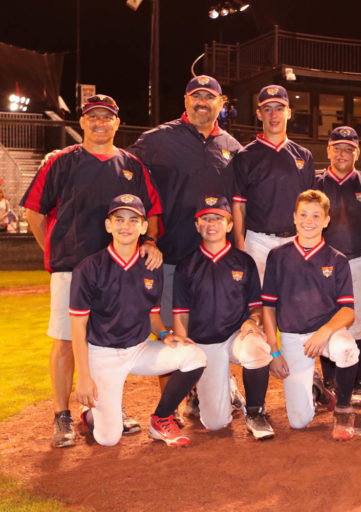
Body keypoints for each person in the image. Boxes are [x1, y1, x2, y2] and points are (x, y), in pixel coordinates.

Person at [21, 94, 162, 448]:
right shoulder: (60, 161)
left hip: (120, 271)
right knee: (67, 342)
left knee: (110, 343)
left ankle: (104, 409)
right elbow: (35, 213)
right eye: (92, 117)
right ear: (83, 122)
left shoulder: (132, 165)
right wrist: (53, 250)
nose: (100, 123)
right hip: (72, 268)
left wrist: (151, 241)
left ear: (117, 122)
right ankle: (62, 415)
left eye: (107, 117)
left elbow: (153, 214)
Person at [128, 75, 245, 420]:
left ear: (221, 104)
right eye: (195, 95)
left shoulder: (232, 147)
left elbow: (240, 204)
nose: (202, 102)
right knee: (170, 335)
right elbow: (125, 173)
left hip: (215, 262)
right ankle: (171, 408)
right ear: (185, 100)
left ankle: (205, 391)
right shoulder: (157, 140)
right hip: (169, 255)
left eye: (209, 97)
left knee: (212, 327)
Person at [72, 195, 206, 447]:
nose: (125, 226)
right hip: (103, 354)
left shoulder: (151, 265)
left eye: (133, 220)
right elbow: (78, 326)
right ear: (108, 225)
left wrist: (166, 335)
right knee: (109, 439)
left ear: (144, 227)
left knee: (195, 356)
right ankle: (90, 413)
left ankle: (161, 418)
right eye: (119, 219)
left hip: (139, 348)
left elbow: (152, 315)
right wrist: (83, 376)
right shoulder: (88, 268)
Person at [172, 195, 275, 440]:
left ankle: (255, 412)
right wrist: (185, 351)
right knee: (216, 423)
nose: (211, 224)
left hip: (235, 336)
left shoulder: (244, 262)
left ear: (229, 225)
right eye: (205, 218)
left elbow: (256, 308)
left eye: (218, 218)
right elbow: (180, 315)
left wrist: (253, 321)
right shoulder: (186, 266)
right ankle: (224, 386)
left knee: (258, 349)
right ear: (197, 225)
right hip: (205, 344)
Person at [262, 190, 360, 441]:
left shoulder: (337, 260)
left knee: (347, 349)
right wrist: (274, 351)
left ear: (327, 220)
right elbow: (269, 307)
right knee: (298, 421)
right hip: (293, 337)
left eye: (317, 215)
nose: (309, 220)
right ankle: (318, 388)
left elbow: (348, 311)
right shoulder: (277, 256)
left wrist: (325, 332)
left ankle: (343, 409)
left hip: (326, 333)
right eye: (304, 214)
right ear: (294, 217)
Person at [315, 126, 361, 406]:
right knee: (326, 321)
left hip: (359, 259)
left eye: (349, 149)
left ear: (357, 152)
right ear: (328, 150)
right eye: (337, 148)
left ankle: (360, 382)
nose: (342, 153)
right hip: (323, 264)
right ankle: (329, 381)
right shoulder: (315, 182)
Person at [232, 84, 317, 282]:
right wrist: (239, 244)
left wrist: (311, 240)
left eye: (279, 108)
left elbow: (311, 206)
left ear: (289, 113)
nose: (274, 115)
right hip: (258, 240)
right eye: (267, 109)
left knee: (294, 303)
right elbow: (239, 204)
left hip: (296, 238)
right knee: (258, 304)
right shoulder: (246, 156)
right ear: (259, 114)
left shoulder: (303, 155)